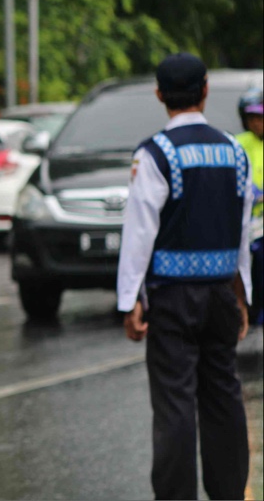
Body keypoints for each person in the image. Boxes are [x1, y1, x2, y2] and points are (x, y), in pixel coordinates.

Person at [117, 53, 252, 500]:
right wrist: (242, 294)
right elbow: (243, 228)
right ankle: (230, 492)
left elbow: (139, 233)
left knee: (175, 405)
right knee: (223, 397)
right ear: (206, 90)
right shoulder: (235, 151)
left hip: (173, 299)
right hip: (219, 294)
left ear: (160, 95)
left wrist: (130, 301)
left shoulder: (156, 153)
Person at [236, 87, 263, 326]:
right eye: (253, 118)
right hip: (246, 219)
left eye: (261, 118)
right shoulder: (238, 144)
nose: (258, 123)